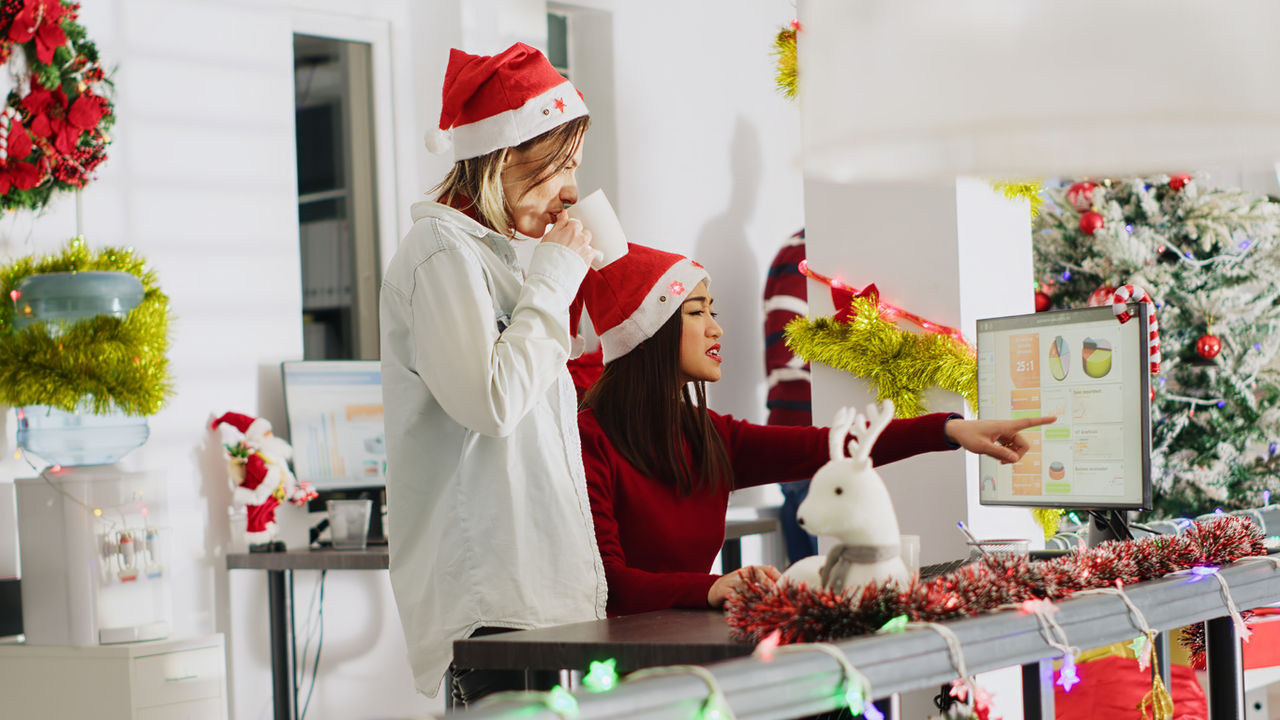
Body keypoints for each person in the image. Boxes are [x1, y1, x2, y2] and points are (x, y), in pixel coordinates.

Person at [574, 243, 1053, 616]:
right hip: (627, 668)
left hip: (699, 653)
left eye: (712, 311)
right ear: (648, 333)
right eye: (697, 312)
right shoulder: (590, 437)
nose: (717, 329)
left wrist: (949, 431)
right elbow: (610, 580)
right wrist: (713, 586)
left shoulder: (706, 435)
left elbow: (822, 446)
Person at [380, 43, 605, 706]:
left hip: (534, 590)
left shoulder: (499, 260)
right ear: (507, 156)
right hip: (492, 599)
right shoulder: (439, 253)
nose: (571, 190)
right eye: (561, 166)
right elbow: (492, 404)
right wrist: (556, 279)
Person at [762, 228, 819, 565]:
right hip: (807, 439)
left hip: (802, 438)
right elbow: (790, 352)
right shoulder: (806, 250)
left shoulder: (804, 247)